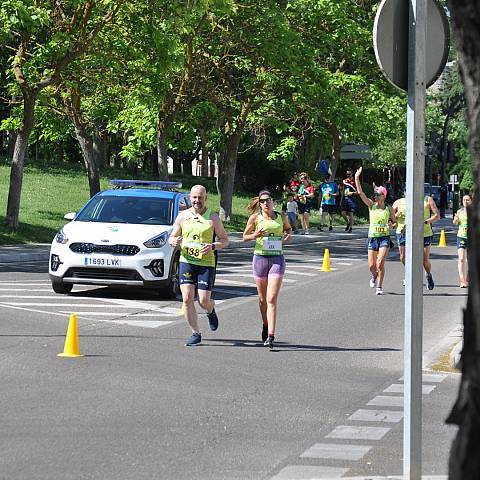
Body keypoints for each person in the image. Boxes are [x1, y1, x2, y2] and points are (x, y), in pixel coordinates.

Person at [169, 185, 229, 346]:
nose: (197, 201)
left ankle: (210, 309)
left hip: (206, 263)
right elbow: (172, 237)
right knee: (187, 298)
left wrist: (213, 246)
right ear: (190, 198)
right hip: (187, 261)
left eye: (200, 197)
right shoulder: (182, 216)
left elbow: (225, 240)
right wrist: (174, 241)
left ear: (206, 198)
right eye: (195, 197)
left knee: (203, 300)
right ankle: (195, 333)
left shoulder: (213, 218)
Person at [243, 190, 292, 349]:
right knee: (263, 299)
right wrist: (255, 235)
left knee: (271, 299)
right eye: (262, 201)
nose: (265, 203)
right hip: (260, 260)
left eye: (268, 200)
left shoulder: (281, 216)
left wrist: (288, 234)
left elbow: (288, 229)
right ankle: (265, 323)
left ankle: (271, 335)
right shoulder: (255, 218)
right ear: (260, 203)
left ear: (272, 201)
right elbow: (245, 237)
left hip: (277, 259)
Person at [355, 167, 396, 295]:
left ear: (383, 196)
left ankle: (379, 287)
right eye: (375, 195)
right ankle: (374, 276)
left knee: (380, 263)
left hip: (384, 238)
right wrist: (357, 178)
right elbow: (361, 193)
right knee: (372, 266)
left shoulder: (388, 208)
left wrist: (391, 226)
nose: (376, 196)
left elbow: (394, 222)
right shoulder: (371, 205)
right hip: (372, 237)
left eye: (378, 194)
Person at [393, 191, 440, 289]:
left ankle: (428, 275)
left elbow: (437, 216)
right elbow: (392, 218)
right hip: (404, 233)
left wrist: (426, 221)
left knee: (424, 260)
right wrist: (394, 220)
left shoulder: (427, 199)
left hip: (424, 233)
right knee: (403, 257)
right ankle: (409, 274)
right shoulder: (399, 202)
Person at [453, 194, 472, 288]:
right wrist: (456, 220)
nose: (465, 201)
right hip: (461, 237)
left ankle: (469, 276)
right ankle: (462, 280)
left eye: (467, 200)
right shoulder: (459, 212)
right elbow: (455, 223)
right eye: (464, 200)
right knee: (461, 259)